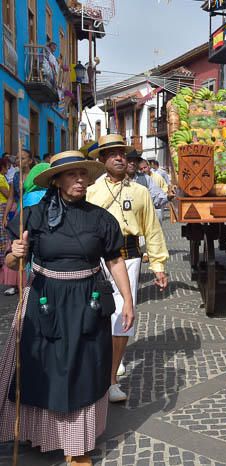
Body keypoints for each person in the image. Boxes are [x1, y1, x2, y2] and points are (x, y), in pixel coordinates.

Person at [0, 150, 133, 466]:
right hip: (44, 298)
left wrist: (128, 300)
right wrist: (16, 253)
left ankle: (77, 446)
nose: (80, 180)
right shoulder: (34, 216)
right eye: (72, 174)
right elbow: (12, 263)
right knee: (39, 368)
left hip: (87, 301)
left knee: (82, 370)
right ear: (57, 180)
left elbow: (114, 260)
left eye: (83, 174)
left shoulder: (101, 218)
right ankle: (36, 433)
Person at [87, 135, 169, 402]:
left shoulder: (140, 192)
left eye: (122, 153)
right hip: (96, 261)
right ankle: (96, 370)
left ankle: (111, 381)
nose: (120, 157)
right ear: (102, 159)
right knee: (95, 316)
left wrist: (158, 265)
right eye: (112, 153)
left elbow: (152, 230)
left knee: (124, 317)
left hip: (130, 257)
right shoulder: (90, 191)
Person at [2, 149, 36, 295]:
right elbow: (10, 197)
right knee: (15, 246)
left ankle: (28, 281)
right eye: (18, 158)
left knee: (29, 244)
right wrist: (5, 216)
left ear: (30, 160)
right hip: (18, 212)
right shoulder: (15, 177)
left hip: (33, 210)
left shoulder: (35, 175)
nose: (19, 161)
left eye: (23, 158)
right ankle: (15, 283)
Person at [0, 158, 10, 272]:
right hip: (2, 207)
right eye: (6, 166)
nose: (8, 168)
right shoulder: (1, 178)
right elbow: (7, 194)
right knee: (3, 234)